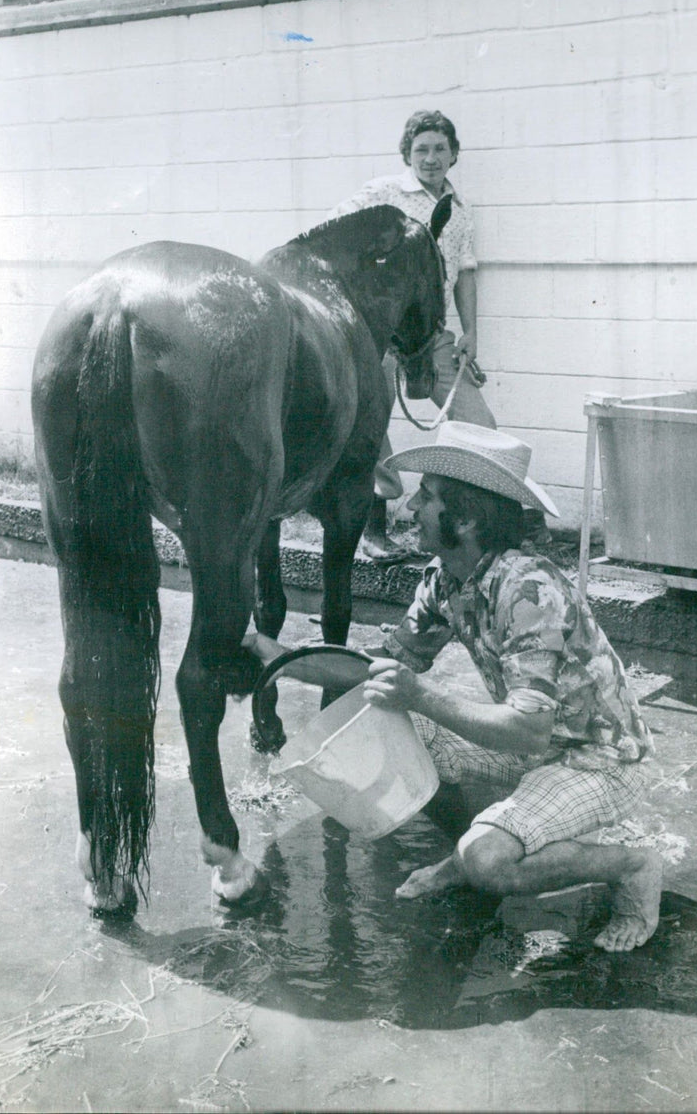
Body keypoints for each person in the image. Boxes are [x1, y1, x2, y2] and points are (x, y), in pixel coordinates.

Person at [244, 422, 662, 953]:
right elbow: (375, 668)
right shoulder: (447, 580)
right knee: (394, 724)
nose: (411, 508)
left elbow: (530, 731)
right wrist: (269, 652)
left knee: (486, 854)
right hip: (543, 748)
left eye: (428, 496)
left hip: (597, 759)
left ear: (464, 519)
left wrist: (420, 695)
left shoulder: (527, 589)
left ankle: (629, 868)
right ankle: (481, 851)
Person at [328, 109, 499, 560]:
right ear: (408, 154)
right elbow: (333, 233)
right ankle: (374, 529)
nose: (430, 158)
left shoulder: (459, 212)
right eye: (421, 149)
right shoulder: (384, 193)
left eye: (440, 148)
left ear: (454, 154)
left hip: (430, 335)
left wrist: (470, 334)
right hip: (380, 333)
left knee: (476, 420)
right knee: (372, 423)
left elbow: (465, 275)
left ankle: (482, 524)